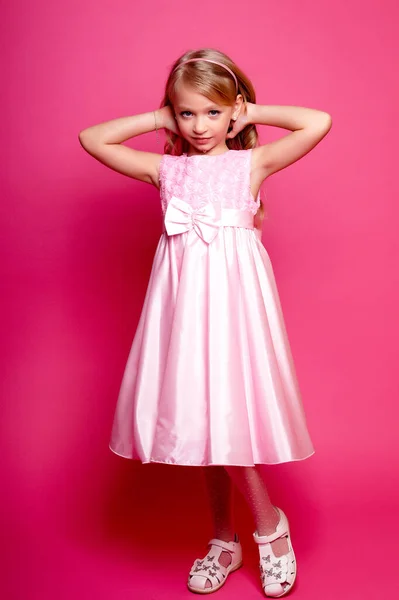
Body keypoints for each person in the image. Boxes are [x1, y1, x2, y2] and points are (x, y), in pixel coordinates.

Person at [79, 47, 332, 597]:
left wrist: (252, 112)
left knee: (227, 418)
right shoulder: (164, 168)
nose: (198, 125)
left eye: (213, 113)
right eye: (186, 113)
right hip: (184, 310)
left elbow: (319, 121)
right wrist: (156, 119)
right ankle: (224, 539)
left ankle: (270, 529)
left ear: (233, 111)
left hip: (235, 308)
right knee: (198, 422)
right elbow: (91, 138)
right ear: (173, 112)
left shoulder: (250, 164)